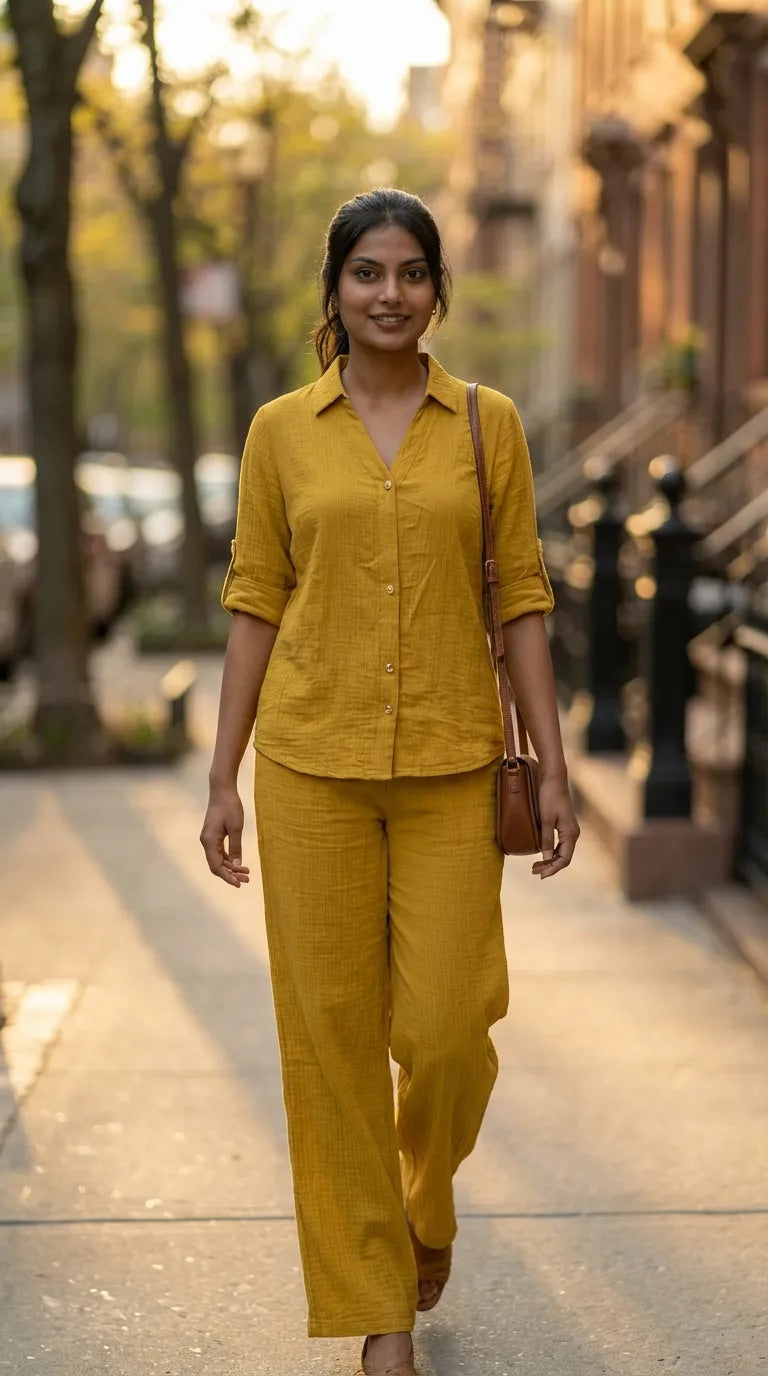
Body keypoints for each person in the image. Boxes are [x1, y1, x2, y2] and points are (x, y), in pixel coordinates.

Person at [200, 187, 579, 1376]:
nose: (390, 293)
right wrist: (223, 775)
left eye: (411, 272)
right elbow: (256, 600)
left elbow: (519, 594)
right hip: (310, 762)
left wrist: (554, 765)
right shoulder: (279, 432)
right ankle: (382, 1314)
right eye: (367, 272)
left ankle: (424, 1199)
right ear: (336, 290)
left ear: (437, 290)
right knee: (331, 1044)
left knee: (449, 1027)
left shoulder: (487, 424)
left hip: (456, 763)